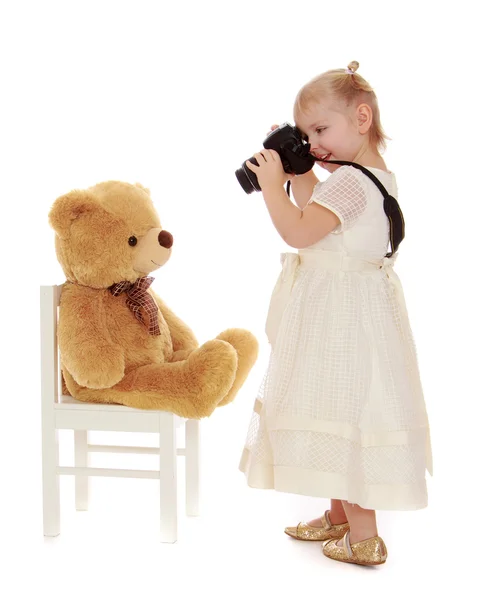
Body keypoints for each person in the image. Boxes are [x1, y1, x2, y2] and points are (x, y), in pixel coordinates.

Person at [239, 61, 433, 567]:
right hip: (349, 313)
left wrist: (270, 188)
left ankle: (365, 536)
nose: (315, 144)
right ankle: (340, 516)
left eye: (321, 130)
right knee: (337, 403)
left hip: (337, 316)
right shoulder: (368, 177)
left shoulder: (349, 182)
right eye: (305, 135)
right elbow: (318, 216)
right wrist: (298, 175)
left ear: (362, 118)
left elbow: (300, 232)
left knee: (346, 409)